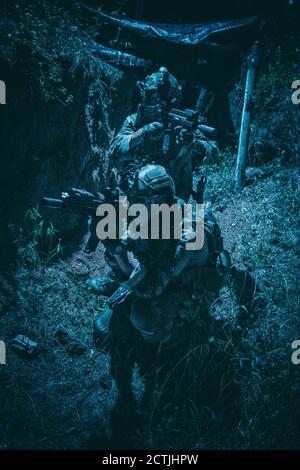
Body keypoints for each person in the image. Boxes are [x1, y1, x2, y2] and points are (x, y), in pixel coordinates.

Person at [92, 165, 231, 445]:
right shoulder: (157, 214)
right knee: (111, 324)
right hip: (163, 281)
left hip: (191, 291)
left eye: (140, 199)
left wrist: (119, 249)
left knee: (143, 315)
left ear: (157, 199)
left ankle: (173, 344)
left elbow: (149, 286)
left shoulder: (187, 232)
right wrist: (114, 235)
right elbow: (133, 267)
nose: (133, 204)